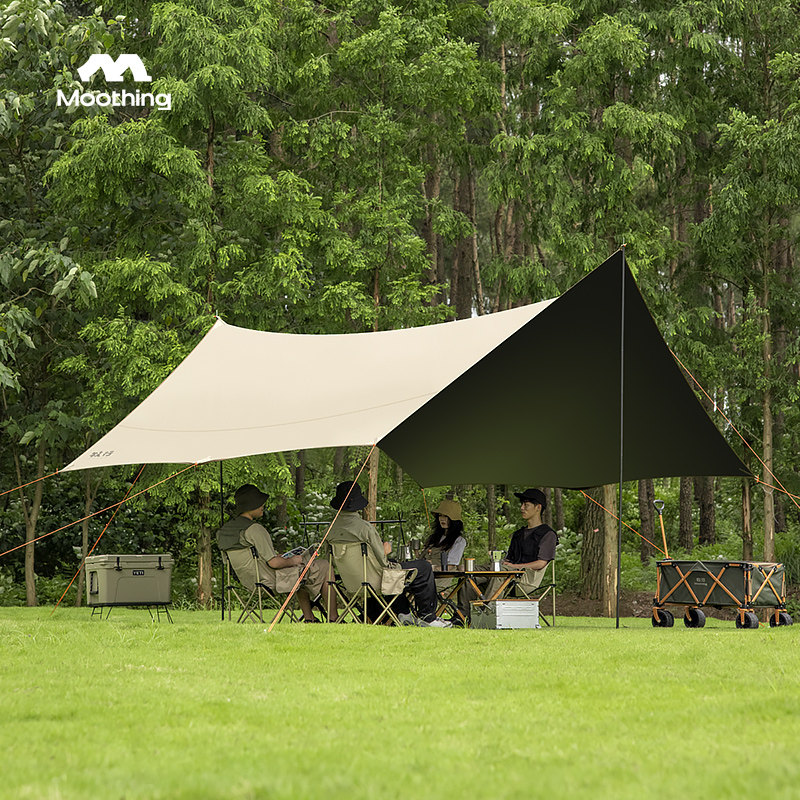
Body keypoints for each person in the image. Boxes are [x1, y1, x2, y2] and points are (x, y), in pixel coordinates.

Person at [326, 481, 451, 627]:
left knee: (396, 569)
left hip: (351, 584)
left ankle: (404, 613)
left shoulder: (330, 530)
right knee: (423, 567)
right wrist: (385, 549)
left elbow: (330, 561)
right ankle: (428, 618)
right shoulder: (365, 529)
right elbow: (383, 562)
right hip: (377, 583)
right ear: (358, 504)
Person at [216, 484, 337, 622]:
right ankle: (333, 617)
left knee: (298, 572)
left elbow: (253, 559)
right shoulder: (254, 529)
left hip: (248, 582)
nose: (263, 505)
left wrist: (282, 558)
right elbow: (273, 563)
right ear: (251, 505)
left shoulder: (224, 532)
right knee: (324, 566)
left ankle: (309, 618)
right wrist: (293, 560)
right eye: (260, 503)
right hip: (270, 581)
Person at [459, 487, 557, 617]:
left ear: (538, 507)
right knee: (470, 572)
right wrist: (499, 562)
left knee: (500, 574)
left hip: (527, 578)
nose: (522, 508)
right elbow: (509, 560)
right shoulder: (518, 534)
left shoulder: (547, 534)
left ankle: (487, 616)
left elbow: (541, 563)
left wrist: (513, 567)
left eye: (526, 505)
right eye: (521, 504)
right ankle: (461, 617)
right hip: (508, 573)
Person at [423, 499, 467, 572]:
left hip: (440, 577)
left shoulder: (459, 541)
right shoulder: (434, 538)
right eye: (440, 515)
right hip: (424, 574)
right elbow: (422, 557)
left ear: (454, 520)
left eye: (446, 516)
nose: (442, 519)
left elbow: (450, 566)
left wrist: (431, 567)